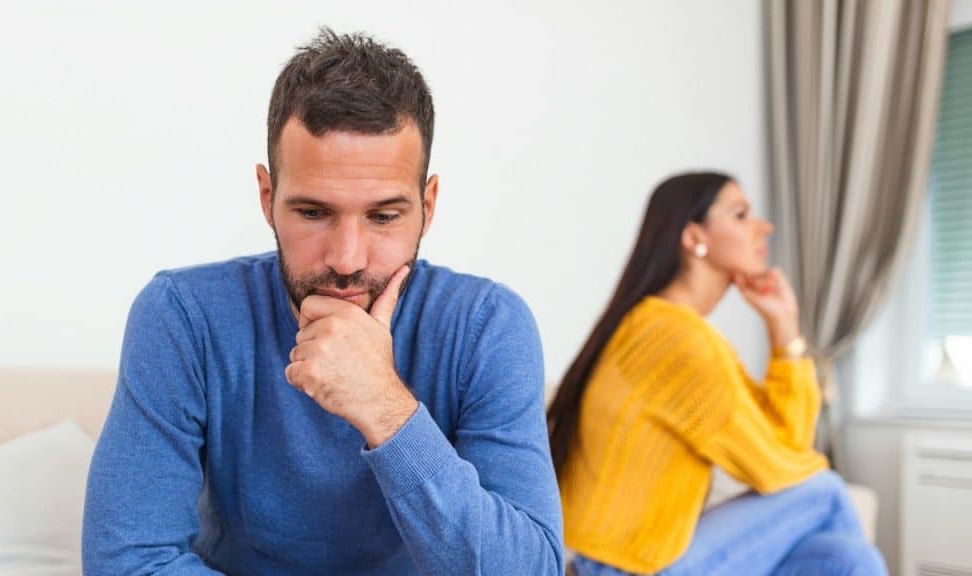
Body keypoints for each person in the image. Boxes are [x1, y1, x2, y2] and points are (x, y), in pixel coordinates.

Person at [82, 29, 563, 575]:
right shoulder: (183, 318)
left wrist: (384, 406)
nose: (346, 258)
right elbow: (128, 560)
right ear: (268, 197)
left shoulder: (487, 328)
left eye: (384, 216)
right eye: (313, 212)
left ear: (427, 205)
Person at [547, 172, 886, 575]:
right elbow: (780, 467)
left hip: (633, 560)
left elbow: (789, 449)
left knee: (848, 559)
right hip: (617, 567)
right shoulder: (673, 338)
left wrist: (785, 329)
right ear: (693, 238)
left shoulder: (673, 329)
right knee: (827, 490)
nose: (765, 227)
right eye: (741, 215)